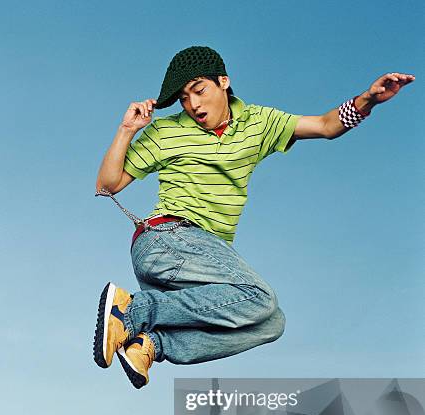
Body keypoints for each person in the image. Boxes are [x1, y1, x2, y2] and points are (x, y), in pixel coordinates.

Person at [93, 46, 414, 389]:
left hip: (202, 258)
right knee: (258, 296)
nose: (194, 105)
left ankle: (151, 345)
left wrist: (368, 100)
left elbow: (325, 126)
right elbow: (107, 185)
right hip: (168, 238)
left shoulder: (258, 122)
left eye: (199, 91)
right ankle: (131, 311)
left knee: (271, 323)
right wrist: (127, 130)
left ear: (223, 82)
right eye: (185, 99)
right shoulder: (166, 132)